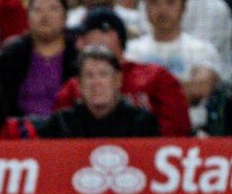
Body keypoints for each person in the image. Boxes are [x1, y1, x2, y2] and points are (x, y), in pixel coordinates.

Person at [53, 8, 190, 137]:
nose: (78, 44)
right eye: (89, 76)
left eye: (84, 37)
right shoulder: (75, 84)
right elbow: (60, 130)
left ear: (111, 35)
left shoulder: (156, 77)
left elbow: (178, 130)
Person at [126, 0, 228, 132]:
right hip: (139, 135)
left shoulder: (201, 49)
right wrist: (177, 92)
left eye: (170, 2)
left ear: (183, 6)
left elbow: (200, 89)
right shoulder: (131, 51)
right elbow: (124, 94)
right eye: (154, 2)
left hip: (190, 133)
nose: (162, 10)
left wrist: (147, 94)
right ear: (145, 7)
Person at [0, 0, 79, 119]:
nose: (45, 16)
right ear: (27, 17)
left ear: (65, 16)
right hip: (18, 130)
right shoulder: (9, 56)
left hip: (68, 131)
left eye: (53, 8)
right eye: (37, 9)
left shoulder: (79, 57)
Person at [38, 45, 161, 138]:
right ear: (79, 84)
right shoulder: (62, 123)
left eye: (103, 74)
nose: (96, 83)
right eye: (89, 75)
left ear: (118, 80)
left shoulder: (141, 122)